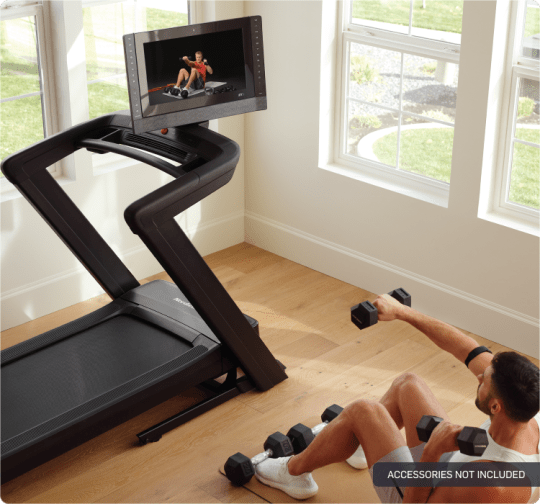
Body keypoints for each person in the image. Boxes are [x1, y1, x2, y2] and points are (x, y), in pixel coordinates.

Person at [255, 294, 540, 502]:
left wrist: (431, 453)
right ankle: (357, 444)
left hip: (426, 493)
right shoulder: (527, 403)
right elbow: (467, 349)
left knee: (363, 411)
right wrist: (403, 312)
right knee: (409, 384)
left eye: (484, 380)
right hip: (457, 467)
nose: (479, 376)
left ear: (495, 406)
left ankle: (294, 473)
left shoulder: (494, 483)